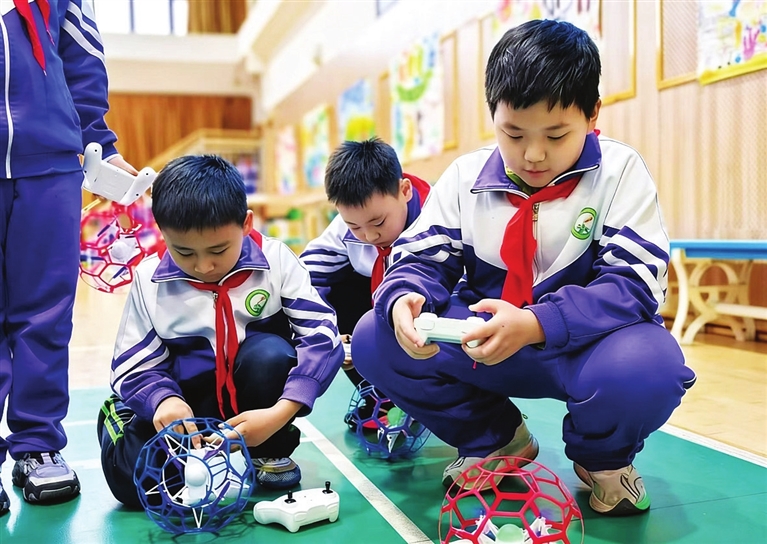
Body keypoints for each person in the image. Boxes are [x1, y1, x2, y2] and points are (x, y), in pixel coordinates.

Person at [351, 19, 696, 517]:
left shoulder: (620, 172)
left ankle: (602, 458)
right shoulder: (465, 176)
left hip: (585, 348)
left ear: (593, 114)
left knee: (651, 366)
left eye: (556, 134)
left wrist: (537, 323)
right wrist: (404, 296)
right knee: (374, 336)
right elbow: (421, 257)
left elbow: (633, 284)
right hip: (482, 343)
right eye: (512, 133)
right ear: (493, 113)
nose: (533, 155)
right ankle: (495, 440)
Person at [96, 155, 344, 508]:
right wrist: (162, 400)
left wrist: (280, 413)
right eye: (183, 251)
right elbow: (132, 364)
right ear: (162, 232)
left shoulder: (276, 260)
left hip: (256, 405)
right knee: (135, 486)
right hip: (186, 410)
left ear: (246, 224)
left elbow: (322, 336)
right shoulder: (149, 280)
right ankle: (121, 416)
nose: (203, 265)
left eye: (218, 249)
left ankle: (266, 449)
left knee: (270, 354)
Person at [0, 0, 137, 515]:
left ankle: (38, 444)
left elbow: (80, 53)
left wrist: (98, 139)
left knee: (46, 313)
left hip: (52, 162)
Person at [299, 138, 431, 428]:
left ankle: (429, 397)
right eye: (354, 226)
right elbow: (304, 278)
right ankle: (380, 399)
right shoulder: (348, 227)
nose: (369, 236)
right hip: (376, 305)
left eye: (379, 223)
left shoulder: (436, 218)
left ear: (405, 191)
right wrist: (328, 332)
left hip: (427, 310)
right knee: (332, 291)